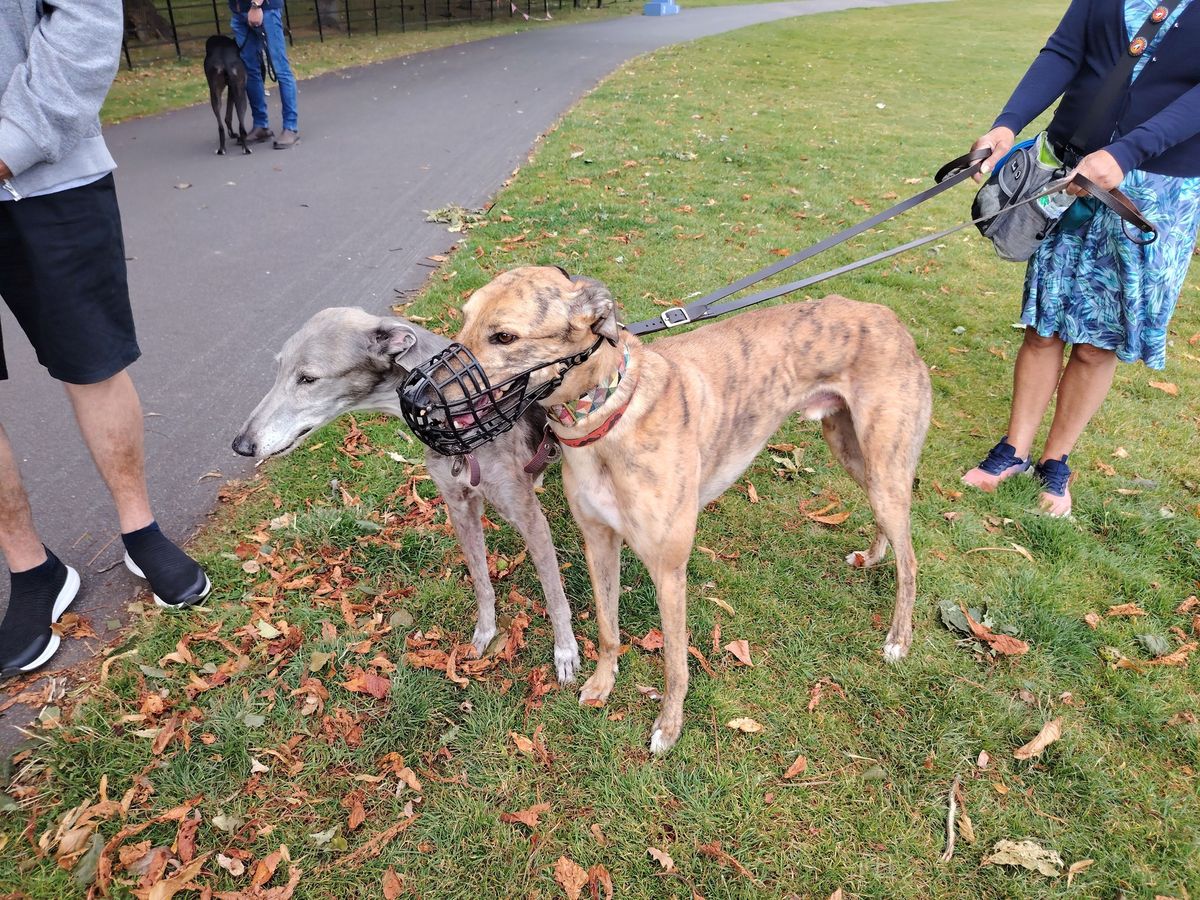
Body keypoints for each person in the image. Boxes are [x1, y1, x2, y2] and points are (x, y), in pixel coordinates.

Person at [0, 1, 209, 679]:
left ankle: (138, 527)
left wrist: (8, 144)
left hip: (48, 169)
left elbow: (85, 14)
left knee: (93, 360)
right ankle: (32, 569)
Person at [961, 0, 1200, 517]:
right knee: (1043, 325)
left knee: (1097, 341)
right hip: (1070, 168)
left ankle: (1056, 461)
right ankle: (1013, 452)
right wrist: (1008, 124)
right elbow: (1065, 52)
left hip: (1157, 185)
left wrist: (1128, 152)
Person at [230, 0, 300, 150]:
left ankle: (290, 127)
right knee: (250, 70)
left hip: (264, 9)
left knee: (281, 68)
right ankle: (261, 126)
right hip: (240, 10)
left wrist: (256, 5)